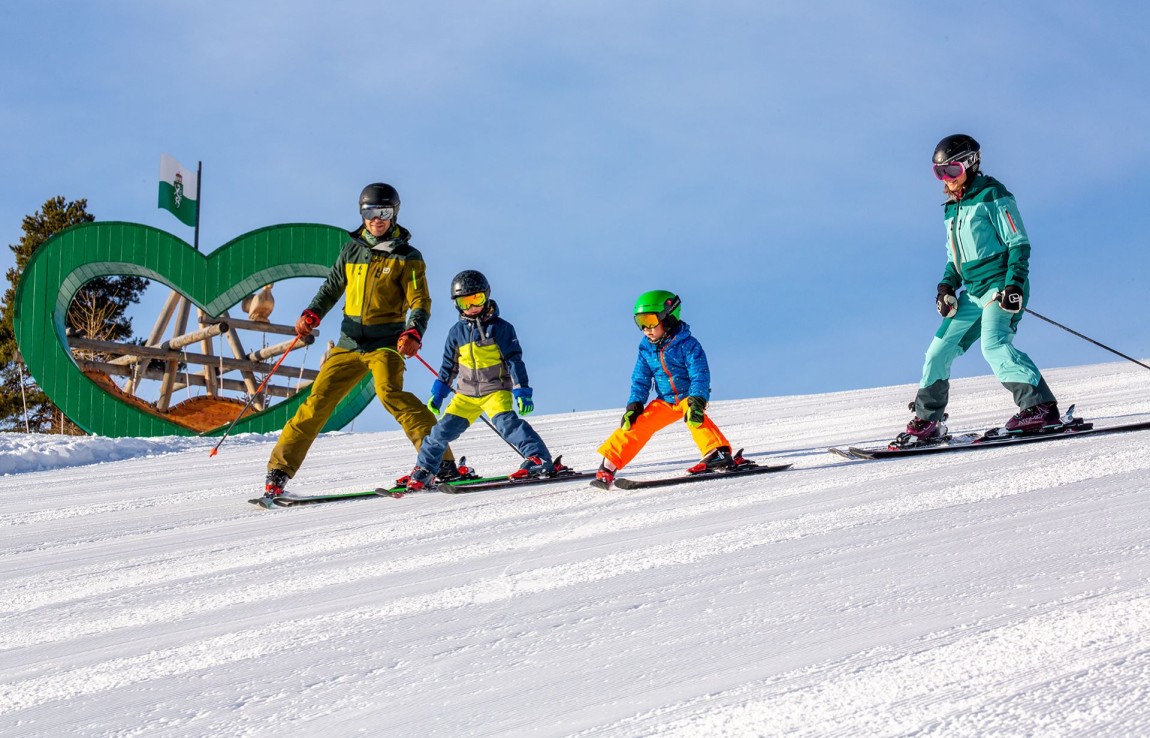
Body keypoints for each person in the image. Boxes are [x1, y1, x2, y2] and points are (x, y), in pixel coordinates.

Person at [262, 183, 460, 497]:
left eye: (383, 212)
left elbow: (420, 301)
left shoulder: (407, 256)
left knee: (391, 396)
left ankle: (444, 464)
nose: (376, 219)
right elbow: (330, 288)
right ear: (362, 213)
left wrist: (413, 332)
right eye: (370, 212)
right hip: (349, 343)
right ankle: (278, 474)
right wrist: (312, 313)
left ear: (394, 214)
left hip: (386, 343)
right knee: (315, 405)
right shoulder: (352, 249)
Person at [903, 134, 1059, 444]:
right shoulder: (951, 209)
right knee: (937, 351)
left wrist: (1014, 284)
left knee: (994, 344)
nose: (947, 179)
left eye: (953, 170)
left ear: (972, 164)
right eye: (940, 173)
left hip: (1001, 286)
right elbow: (955, 259)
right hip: (972, 292)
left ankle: (1039, 406)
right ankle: (928, 419)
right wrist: (946, 286)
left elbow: (1018, 243)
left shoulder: (993, 195)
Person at [400, 270, 567, 492]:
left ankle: (538, 459)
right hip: (466, 396)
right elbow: (449, 366)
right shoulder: (456, 333)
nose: (471, 307)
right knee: (439, 434)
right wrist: (438, 393)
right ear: (457, 305)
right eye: (464, 302)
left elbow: (514, 361)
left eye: (476, 299)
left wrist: (522, 391)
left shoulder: (501, 327)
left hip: (495, 391)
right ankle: (425, 470)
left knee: (507, 425)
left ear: (486, 296)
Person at [593, 290, 751, 487]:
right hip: (666, 401)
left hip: (687, 397)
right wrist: (634, 405)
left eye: (650, 320)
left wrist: (697, 399)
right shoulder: (646, 348)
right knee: (636, 424)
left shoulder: (687, 345)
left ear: (668, 319)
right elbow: (640, 379)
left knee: (695, 417)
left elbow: (699, 373)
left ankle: (717, 453)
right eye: (640, 322)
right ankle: (609, 464)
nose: (646, 328)